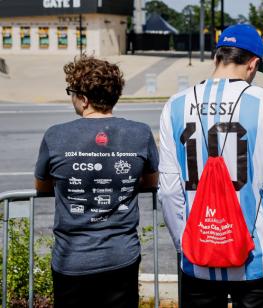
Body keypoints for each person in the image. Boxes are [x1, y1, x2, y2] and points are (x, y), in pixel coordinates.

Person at [158, 24, 263, 308]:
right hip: (258, 256)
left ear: (216, 58)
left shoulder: (174, 105)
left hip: (197, 258)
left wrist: (184, 246)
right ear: (253, 64)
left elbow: (169, 191)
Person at [34, 55, 159, 308]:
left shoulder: (56, 135)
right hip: (121, 256)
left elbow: (42, 186)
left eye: (72, 92)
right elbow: (151, 181)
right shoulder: (140, 133)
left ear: (84, 99)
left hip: (72, 259)